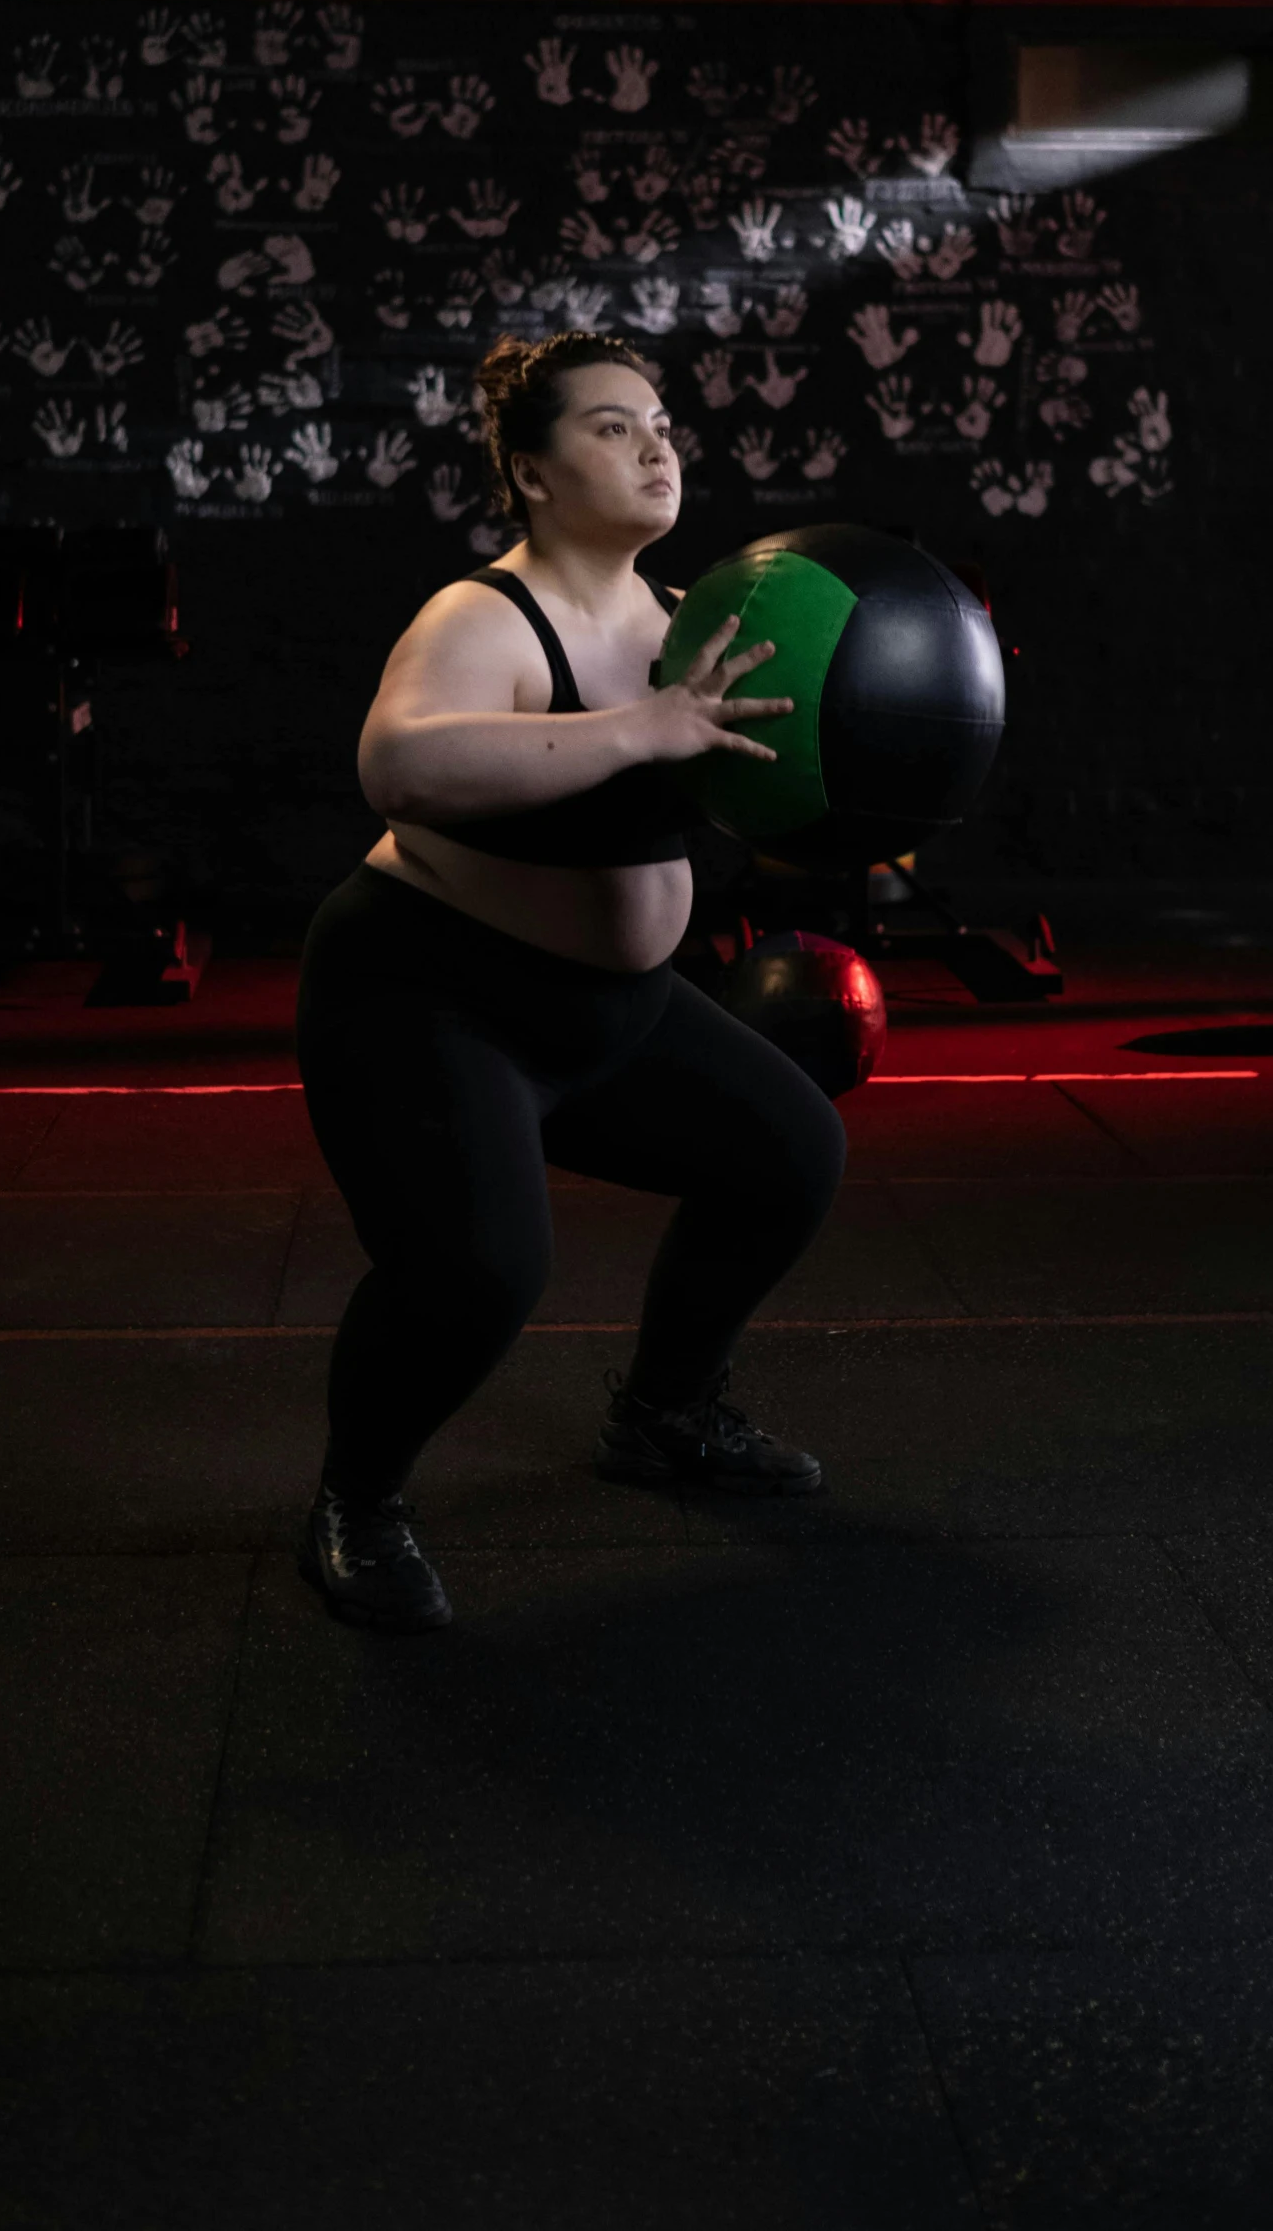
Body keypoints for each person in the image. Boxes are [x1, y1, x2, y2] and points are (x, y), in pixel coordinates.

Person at [293, 330, 849, 1632]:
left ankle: (665, 1414)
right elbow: (401, 765)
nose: (655, 442)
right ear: (532, 473)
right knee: (479, 1272)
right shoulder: (483, 614)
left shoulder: (687, 625)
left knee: (788, 1154)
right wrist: (636, 730)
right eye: (611, 425)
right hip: (427, 994)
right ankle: (354, 1501)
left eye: (658, 421)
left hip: (612, 1011)